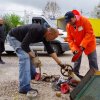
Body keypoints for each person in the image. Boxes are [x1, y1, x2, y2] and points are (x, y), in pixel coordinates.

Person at [7, 24, 65, 94]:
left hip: (22, 40)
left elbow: (50, 50)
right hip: (14, 37)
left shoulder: (45, 35)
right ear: (50, 33)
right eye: (54, 38)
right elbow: (24, 45)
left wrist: (60, 63)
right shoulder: (37, 30)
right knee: (25, 57)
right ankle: (24, 87)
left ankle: (32, 75)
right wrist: (31, 53)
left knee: (31, 55)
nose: (53, 40)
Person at [64, 10, 98, 77]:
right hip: (77, 46)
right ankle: (75, 76)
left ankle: (95, 77)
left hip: (89, 44)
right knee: (76, 61)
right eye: (67, 22)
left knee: (93, 61)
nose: (69, 23)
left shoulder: (84, 21)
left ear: (74, 17)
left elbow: (89, 33)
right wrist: (74, 49)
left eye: (70, 21)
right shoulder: (68, 26)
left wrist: (83, 44)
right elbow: (69, 39)